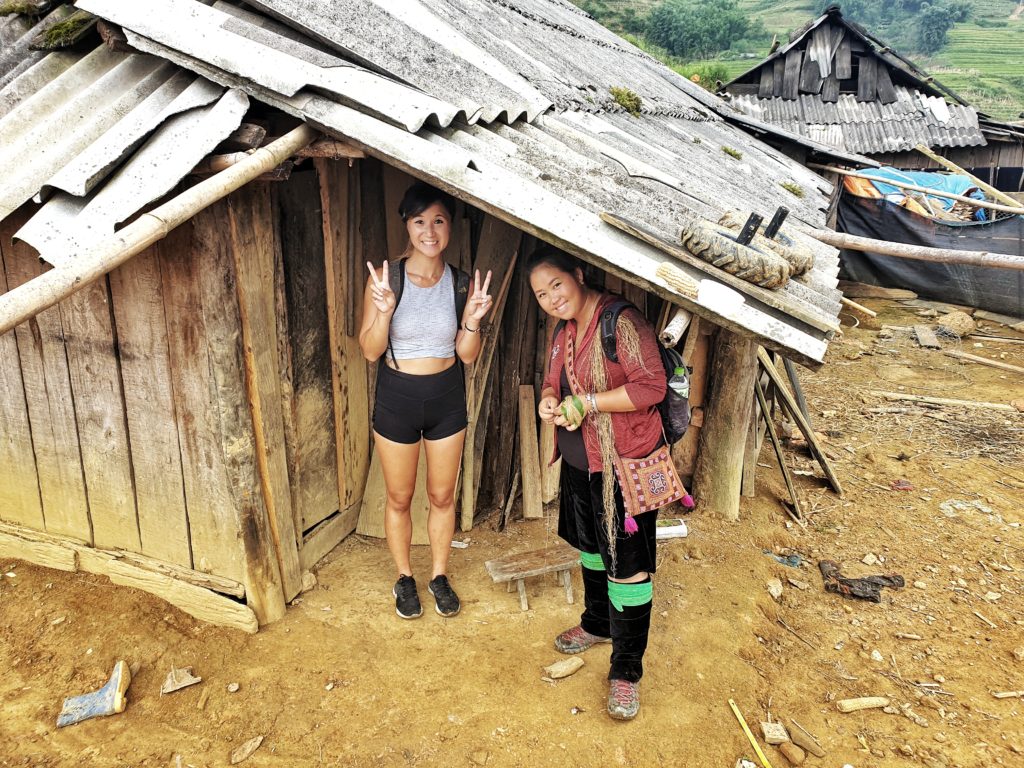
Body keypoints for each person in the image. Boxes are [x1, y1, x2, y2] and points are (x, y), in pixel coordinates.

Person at [528, 246, 668, 721]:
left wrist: (586, 403)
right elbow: (553, 382)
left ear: (579, 275)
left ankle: (626, 672)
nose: (550, 298)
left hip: (622, 466)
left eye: (556, 286)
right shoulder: (564, 330)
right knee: (591, 547)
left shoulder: (621, 323)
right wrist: (550, 401)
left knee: (626, 565)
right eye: (541, 294)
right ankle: (596, 623)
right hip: (580, 464)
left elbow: (651, 388)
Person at [359, 181, 493, 620]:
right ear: (407, 225)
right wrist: (383, 309)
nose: (429, 231)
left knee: (441, 496)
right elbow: (370, 350)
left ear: (450, 226)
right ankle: (403, 577)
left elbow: (467, 356)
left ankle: (438, 575)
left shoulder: (459, 284)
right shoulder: (385, 280)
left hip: (446, 397)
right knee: (399, 498)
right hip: (398, 396)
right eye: (420, 221)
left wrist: (471, 320)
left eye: (438, 221)